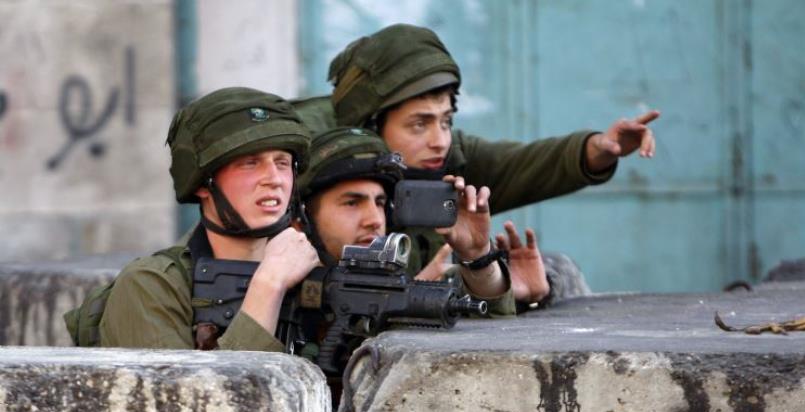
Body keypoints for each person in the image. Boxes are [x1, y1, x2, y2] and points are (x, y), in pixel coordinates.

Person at [292, 23, 659, 303]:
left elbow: (524, 164)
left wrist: (599, 148)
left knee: (556, 272)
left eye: (446, 120)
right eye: (419, 124)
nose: (440, 139)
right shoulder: (312, 163)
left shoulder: (448, 158)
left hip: (422, 302)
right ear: (371, 124)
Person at [97, 87, 320, 350]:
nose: (273, 179)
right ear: (204, 184)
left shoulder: (312, 271)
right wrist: (268, 286)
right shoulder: (150, 286)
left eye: (282, 163)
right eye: (250, 162)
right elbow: (193, 392)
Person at [294, 126, 514, 315]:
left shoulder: (407, 270)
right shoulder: (280, 287)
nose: (374, 220)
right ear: (304, 218)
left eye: (380, 203)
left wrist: (477, 256)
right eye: (352, 203)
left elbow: (489, 334)